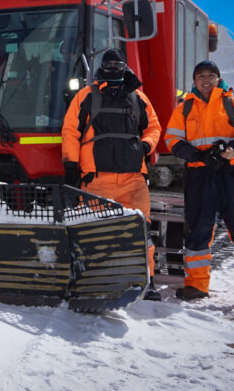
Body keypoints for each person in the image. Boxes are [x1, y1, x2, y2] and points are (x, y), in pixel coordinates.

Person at [164, 60, 234, 304]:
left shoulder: (232, 104)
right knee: (198, 231)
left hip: (230, 174)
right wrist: (198, 155)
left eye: (210, 75)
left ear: (218, 78)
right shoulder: (184, 108)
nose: (205, 80)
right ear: (194, 81)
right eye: (201, 76)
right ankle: (196, 285)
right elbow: (171, 139)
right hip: (199, 176)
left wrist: (233, 150)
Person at [62, 48, 163, 301]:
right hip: (96, 180)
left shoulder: (138, 98)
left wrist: (146, 146)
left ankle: (146, 282)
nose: (113, 68)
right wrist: (71, 166)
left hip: (134, 180)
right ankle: (96, 281)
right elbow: (71, 131)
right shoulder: (86, 96)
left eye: (118, 64)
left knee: (142, 232)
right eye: (109, 64)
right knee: (95, 232)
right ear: (101, 67)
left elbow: (154, 126)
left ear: (125, 67)